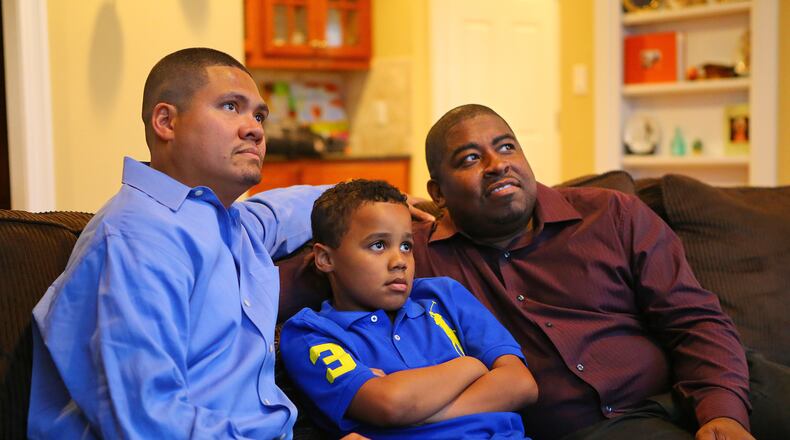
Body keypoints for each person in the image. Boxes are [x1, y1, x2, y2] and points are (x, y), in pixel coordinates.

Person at [27, 47, 330, 439]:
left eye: (259, 116)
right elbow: (150, 421)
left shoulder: (217, 219)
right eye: (230, 107)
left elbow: (278, 213)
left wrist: (372, 200)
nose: (254, 129)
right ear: (166, 122)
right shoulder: (139, 238)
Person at [411, 104, 756, 440]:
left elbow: (693, 318)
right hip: (610, 427)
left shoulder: (612, 214)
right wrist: (388, 204)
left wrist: (723, 411)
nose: (497, 164)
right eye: (471, 158)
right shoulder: (416, 258)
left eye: (506, 147)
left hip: (712, 386)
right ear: (438, 194)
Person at [279, 179, 538, 439]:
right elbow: (389, 405)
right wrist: (471, 365)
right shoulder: (310, 333)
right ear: (325, 258)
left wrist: (419, 414)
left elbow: (521, 384)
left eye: (406, 246)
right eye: (378, 245)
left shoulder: (443, 295)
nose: (400, 261)